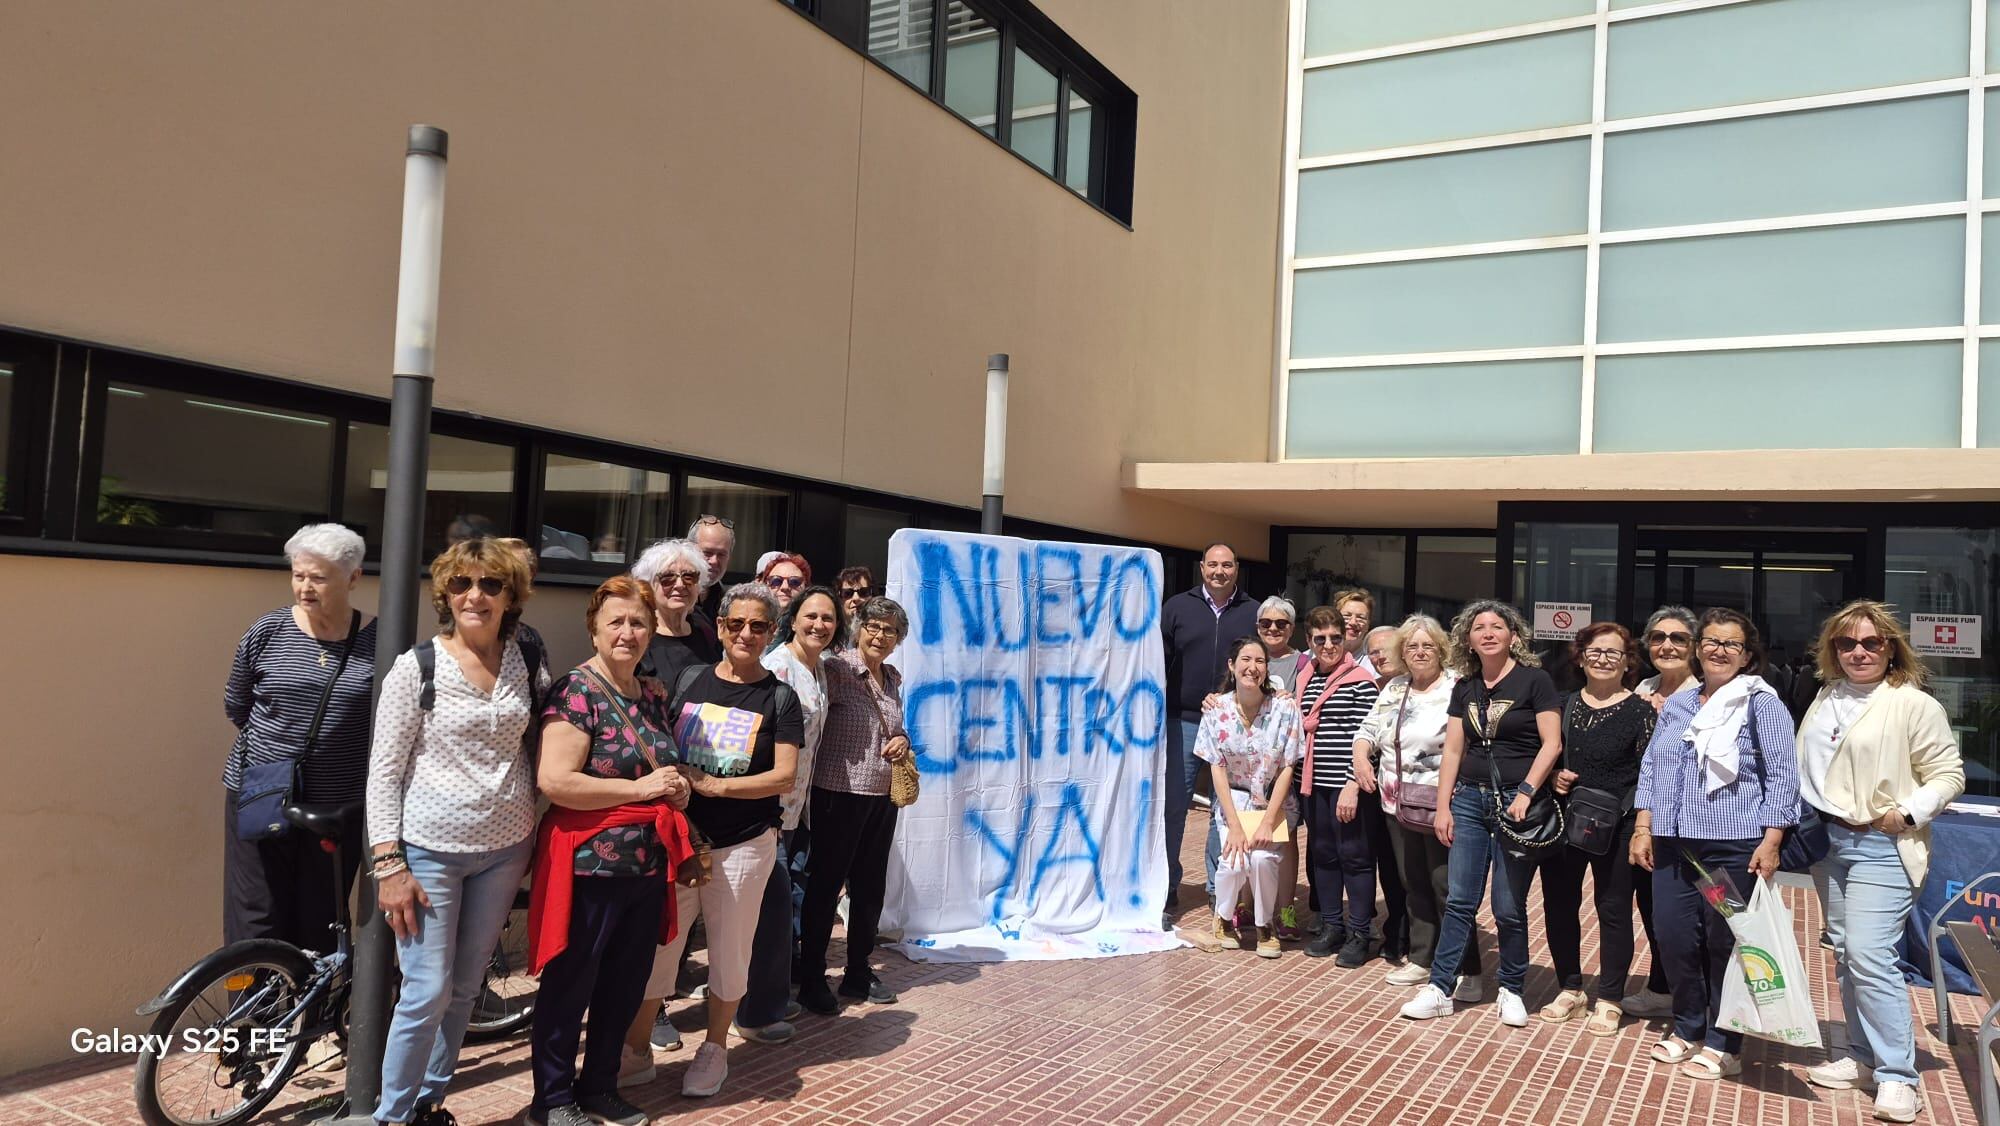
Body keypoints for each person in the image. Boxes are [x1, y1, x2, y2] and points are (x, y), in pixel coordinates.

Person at [367, 539, 547, 1126]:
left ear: (510, 595)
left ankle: (429, 1102)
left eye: (491, 584)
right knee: (424, 993)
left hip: (506, 845)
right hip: (429, 853)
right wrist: (389, 865)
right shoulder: (416, 667)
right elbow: (384, 772)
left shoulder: (524, 659)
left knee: (467, 986)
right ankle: (391, 1117)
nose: (476, 595)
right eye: (463, 584)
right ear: (445, 593)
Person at [621, 583, 800, 1099]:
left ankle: (714, 1047)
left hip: (743, 844)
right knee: (661, 947)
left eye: (759, 626)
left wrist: (715, 785)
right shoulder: (691, 679)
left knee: (729, 949)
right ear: (719, 627)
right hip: (681, 840)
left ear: (771, 633)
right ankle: (636, 1050)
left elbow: (784, 777)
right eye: (735, 624)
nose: (746, 633)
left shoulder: (779, 698)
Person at [527, 577, 694, 1126]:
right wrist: (641, 791)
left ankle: (599, 1086)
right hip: (589, 865)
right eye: (616, 622)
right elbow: (556, 780)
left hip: (646, 866)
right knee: (571, 983)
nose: (628, 632)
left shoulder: (649, 695)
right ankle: (551, 1101)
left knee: (624, 984)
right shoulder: (576, 693)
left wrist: (677, 788)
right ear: (594, 629)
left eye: (638, 622)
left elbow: (658, 768)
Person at [1800, 601, 1965, 1123]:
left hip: (1882, 845)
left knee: (1871, 956)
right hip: (1831, 844)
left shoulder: (1912, 704)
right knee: (1848, 953)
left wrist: (1908, 813)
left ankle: (1898, 1075)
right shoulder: (1826, 696)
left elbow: (1947, 773)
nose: (1859, 652)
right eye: (1847, 643)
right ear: (1833, 650)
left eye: (1871, 642)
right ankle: (1860, 1054)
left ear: (1891, 647)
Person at [1632, 607, 1798, 1082]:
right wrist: (1644, 824)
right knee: (1674, 936)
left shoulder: (1761, 704)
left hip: (1730, 846)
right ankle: (1687, 1027)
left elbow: (1783, 776)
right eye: (1710, 641)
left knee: (1726, 942)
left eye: (1731, 644)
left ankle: (1726, 1042)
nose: (1718, 650)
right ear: (1698, 647)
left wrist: (1772, 840)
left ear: (1747, 655)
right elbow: (1655, 768)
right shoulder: (1682, 705)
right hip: (1674, 846)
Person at [1399, 601, 1562, 1028]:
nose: (1487, 633)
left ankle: (1511, 988)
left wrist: (1527, 790)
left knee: (1508, 906)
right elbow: (1453, 749)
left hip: (1515, 804)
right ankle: (1439, 987)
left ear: (1513, 635)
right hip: (1470, 800)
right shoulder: (1466, 686)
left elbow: (1551, 744)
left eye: (1496, 626)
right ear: (1467, 639)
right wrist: (1443, 805)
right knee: (1459, 901)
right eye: (1478, 627)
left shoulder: (1535, 681)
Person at [223, 523, 378, 949]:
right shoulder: (267, 632)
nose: (305, 588)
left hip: (336, 802)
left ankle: (310, 1015)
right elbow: (237, 705)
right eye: (298, 575)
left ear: (353, 578)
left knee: (321, 919)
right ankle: (253, 1014)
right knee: (256, 916)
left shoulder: (380, 643)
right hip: (261, 791)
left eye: (319, 578)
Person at [737, 585, 845, 1042]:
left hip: (797, 810)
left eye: (828, 619)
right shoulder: (777, 667)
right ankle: (754, 1012)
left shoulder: (818, 669)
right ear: (793, 619)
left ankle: (768, 998)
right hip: (768, 808)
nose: (819, 625)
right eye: (811, 616)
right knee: (771, 913)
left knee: (780, 909)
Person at [1540, 623, 1655, 1035]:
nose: (1603, 659)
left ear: (1627, 662)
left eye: (1614, 653)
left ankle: (1610, 996)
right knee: (1558, 904)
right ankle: (1570, 987)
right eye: (1595, 651)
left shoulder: (1642, 711)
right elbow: (1545, 754)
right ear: (1581, 656)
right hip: (1567, 820)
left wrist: (1643, 823)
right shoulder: (1564, 705)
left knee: (1613, 910)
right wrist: (1554, 776)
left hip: (1619, 822)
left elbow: (1651, 772)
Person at [798, 597, 912, 1014]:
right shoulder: (836, 669)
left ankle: (858, 971)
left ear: (899, 640)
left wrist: (903, 739)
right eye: (874, 627)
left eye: (891, 631)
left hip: (882, 798)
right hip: (837, 793)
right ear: (859, 626)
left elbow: (896, 727)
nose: (881, 636)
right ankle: (810, 976)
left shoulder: (894, 678)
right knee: (826, 888)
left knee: (869, 888)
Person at [1353, 615, 1474, 991]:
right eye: (1411, 646)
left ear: (1441, 650)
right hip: (1397, 802)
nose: (1419, 652)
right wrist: (1360, 756)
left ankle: (1465, 967)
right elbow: (1370, 729)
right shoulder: (1395, 688)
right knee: (1413, 883)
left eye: (1427, 646)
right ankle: (1423, 958)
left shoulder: (1458, 687)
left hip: (1443, 803)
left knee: (1446, 886)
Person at [1158, 543, 1259, 908]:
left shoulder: (1254, 611)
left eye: (1227, 565)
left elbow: (1259, 665)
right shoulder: (1176, 607)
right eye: (1213, 565)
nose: (1220, 571)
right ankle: (1166, 884)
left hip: (1233, 725)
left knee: (1225, 808)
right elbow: (1158, 664)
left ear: (1237, 569)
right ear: (1202, 568)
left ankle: (1221, 889)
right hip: (1182, 722)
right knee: (1174, 807)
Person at [1194, 637, 1302, 959]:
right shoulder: (1217, 710)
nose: (1252, 667)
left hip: (1274, 801)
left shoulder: (1285, 708)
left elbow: (1287, 767)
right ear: (1232, 665)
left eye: (1260, 661)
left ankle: (1264, 924)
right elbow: (1217, 768)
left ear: (1268, 669)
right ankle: (1224, 919)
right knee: (1234, 858)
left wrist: (1269, 819)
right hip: (1234, 801)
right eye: (1245, 659)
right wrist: (1236, 825)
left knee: (1263, 859)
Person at [1622, 605, 1698, 1018]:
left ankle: (1697, 994)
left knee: (1704, 909)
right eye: (1657, 638)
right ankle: (1664, 986)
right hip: (1644, 818)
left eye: (1678, 638)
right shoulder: (1641, 688)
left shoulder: (1707, 693)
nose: (1666, 645)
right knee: (1654, 907)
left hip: (1695, 824)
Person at [1296, 605, 1381, 964]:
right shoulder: (1305, 677)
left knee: (1356, 858)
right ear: (1309, 641)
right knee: (1325, 856)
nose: (1328, 645)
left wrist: (1352, 784)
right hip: (1313, 785)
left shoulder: (1361, 680)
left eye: (1335, 637)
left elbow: (1370, 738)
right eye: (1320, 638)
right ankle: (1333, 925)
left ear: (1346, 638)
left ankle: (1360, 932)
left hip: (1347, 787)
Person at [1355, 621, 1411, 963]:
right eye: (1372, 651)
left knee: (1414, 869)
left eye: (1385, 649)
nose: (1378, 657)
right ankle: (1396, 930)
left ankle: (1417, 935)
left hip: (1417, 793)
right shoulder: (1371, 687)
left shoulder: (1426, 686)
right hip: (1375, 790)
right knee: (1388, 865)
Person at [632, 538, 723, 691]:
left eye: (689, 577)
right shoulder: (639, 635)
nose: (680, 585)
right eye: (667, 578)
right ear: (649, 586)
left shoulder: (706, 628)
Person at [687, 514, 736, 644]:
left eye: (721, 554)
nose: (714, 561)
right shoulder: (666, 598)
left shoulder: (732, 604)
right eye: (707, 553)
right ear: (688, 550)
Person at [1336, 589, 1376, 674]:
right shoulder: (1315, 656)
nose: (1353, 622)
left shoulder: (1374, 662)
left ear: (1368, 624)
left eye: (1360, 617)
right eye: (1347, 616)